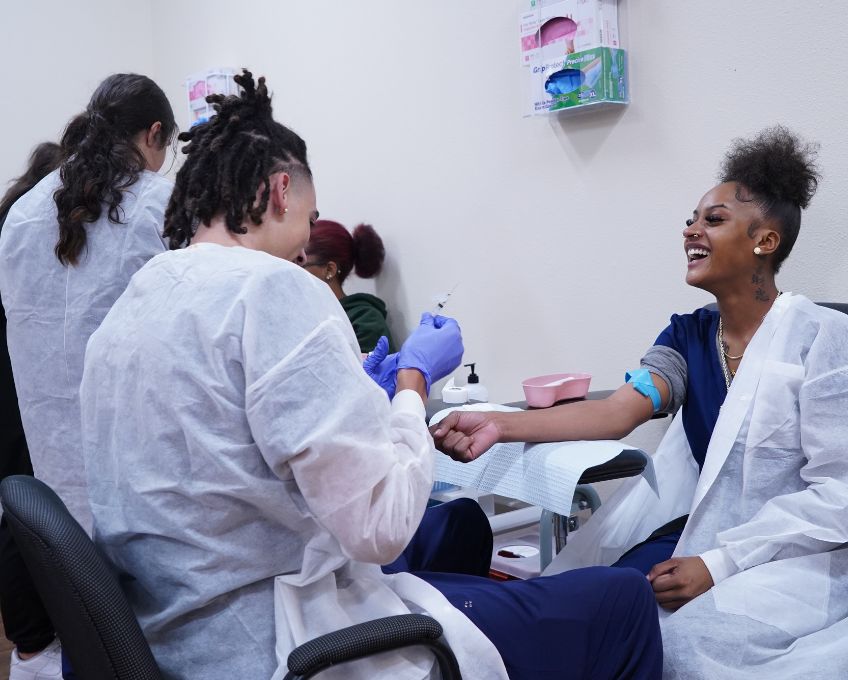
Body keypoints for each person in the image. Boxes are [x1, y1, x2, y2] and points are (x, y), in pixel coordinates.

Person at [79, 70, 661, 680]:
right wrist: (413, 382)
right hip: (280, 643)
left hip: (173, 635)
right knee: (620, 601)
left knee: (458, 534)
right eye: (309, 220)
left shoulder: (135, 302)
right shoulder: (273, 289)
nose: (305, 244)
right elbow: (381, 529)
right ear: (280, 190)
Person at [432, 126, 848, 679]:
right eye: (691, 220)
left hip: (808, 557)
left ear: (765, 241)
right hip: (701, 533)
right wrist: (497, 424)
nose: (690, 230)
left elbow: (845, 498)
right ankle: (443, 615)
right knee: (597, 606)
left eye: (713, 219)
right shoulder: (688, 338)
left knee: (679, 643)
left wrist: (719, 563)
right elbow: (615, 413)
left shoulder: (832, 343)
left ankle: (444, 614)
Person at [0, 73, 176, 537]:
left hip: (50, 458)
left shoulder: (24, 213)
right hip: (140, 456)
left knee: (72, 563)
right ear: (154, 133)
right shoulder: (157, 204)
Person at [0, 141, 64, 680]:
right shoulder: (24, 236)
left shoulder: (12, 228)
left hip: (18, 389)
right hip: (16, 391)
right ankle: (32, 650)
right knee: (23, 508)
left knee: (18, 506)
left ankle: (31, 646)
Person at [303, 219, 394, 353]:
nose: (291, 272)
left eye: (299, 264)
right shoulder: (302, 316)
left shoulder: (365, 321)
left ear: (329, 270)